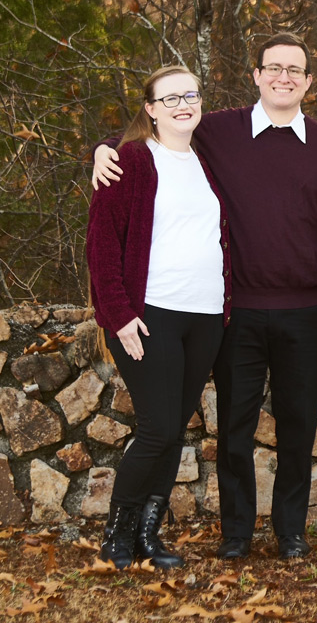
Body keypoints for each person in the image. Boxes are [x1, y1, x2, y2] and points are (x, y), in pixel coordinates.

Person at [93, 33, 317, 560]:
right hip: (238, 313)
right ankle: (235, 534)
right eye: (273, 67)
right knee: (232, 428)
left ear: (308, 81)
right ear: (255, 75)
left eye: (295, 70)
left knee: (298, 428)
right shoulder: (218, 131)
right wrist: (99, 149)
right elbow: (152, 136)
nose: (283, 77)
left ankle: (290, 532)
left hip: (302, 312)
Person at [86, 66, 230, 570]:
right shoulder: (131, 160)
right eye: (169, 99)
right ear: (150, 109)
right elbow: (101, 244)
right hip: (150, 315)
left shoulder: (208, 155)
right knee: (157, 428)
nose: (182, 105)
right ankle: (117, 534)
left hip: (206, 316)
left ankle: (150, 533)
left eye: (190, 94)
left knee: (174, 429)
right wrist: (119, 315)